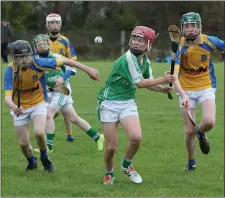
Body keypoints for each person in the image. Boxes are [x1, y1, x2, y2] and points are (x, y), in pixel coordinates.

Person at [4, 40, 99, 173]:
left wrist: (87, 69)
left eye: (27, 56)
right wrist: (14, 107)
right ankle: (32, 161)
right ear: (14, 57)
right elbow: (7, 97)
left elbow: (66, 61)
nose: (25, 60)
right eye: (20, 57)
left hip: (38, 103)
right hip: (19, 108)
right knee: (24, 144)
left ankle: (44, 156)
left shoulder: (37, 63)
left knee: (39, 132)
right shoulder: (10, 71)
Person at [97, 26, 176, 184]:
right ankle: (108, 172)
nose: (136, 43)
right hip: (109, 102)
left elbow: (149, 82)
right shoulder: (128, 58)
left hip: (127, 102)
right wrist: (163, 79)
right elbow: (140, 83)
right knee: (111, 147)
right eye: (134, 38)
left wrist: (161, 89)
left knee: (136, 137)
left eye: (141, 40)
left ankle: (126, 165)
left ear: (149, 44)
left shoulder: (145, 61)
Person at [32, 34, 104, 153]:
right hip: (51, 92)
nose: (42, 46)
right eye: (39, 44)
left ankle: (48, 147)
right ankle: (98, 137)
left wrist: (62, 78)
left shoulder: (56, 57)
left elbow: (71, 69)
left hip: (62, 90)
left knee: (49, 114)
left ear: (48, 45)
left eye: (45, 43)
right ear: (35, 47)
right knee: (74, 119)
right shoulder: (35, 61)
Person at [172, 12, 225, 171]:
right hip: (185, 89)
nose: (190, 29)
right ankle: (191, 162)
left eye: (193, 25)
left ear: (200, 27)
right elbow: (174, 77)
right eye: (187, 26)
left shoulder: (209, 41)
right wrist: (182, 95)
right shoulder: (179, 46)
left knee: (209, 121)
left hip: (206, 86)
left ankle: (200, 133)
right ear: (182, 28)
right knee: (188, 132)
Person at [46, 13, 77, 142]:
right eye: (52, 23)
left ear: (61, 24)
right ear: (47, 25)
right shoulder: (42, 41)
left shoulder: (65, 41)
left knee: (65, 111)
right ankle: (47, 137)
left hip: (61, 79)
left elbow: (73, 61)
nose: (55, 25)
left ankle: (69, 135)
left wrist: (65, 76)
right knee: (50, 111)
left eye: (57, 22)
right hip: (47, 81)